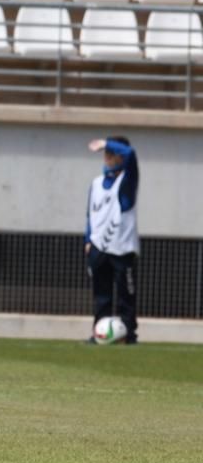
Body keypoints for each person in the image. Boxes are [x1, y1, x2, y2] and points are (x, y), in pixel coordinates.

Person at [85, 136, 139, 344]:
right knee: (101, 296)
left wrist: (106, 143)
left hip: (122, 248)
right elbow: (90, 214)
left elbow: (131, 154)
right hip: (99, 248)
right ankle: (99, 333)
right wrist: (87, 239)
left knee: (126, 296)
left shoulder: (127, 181)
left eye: (111, 153)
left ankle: (129, 336)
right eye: (106, 154)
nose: (107, 157)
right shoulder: (96, 183)